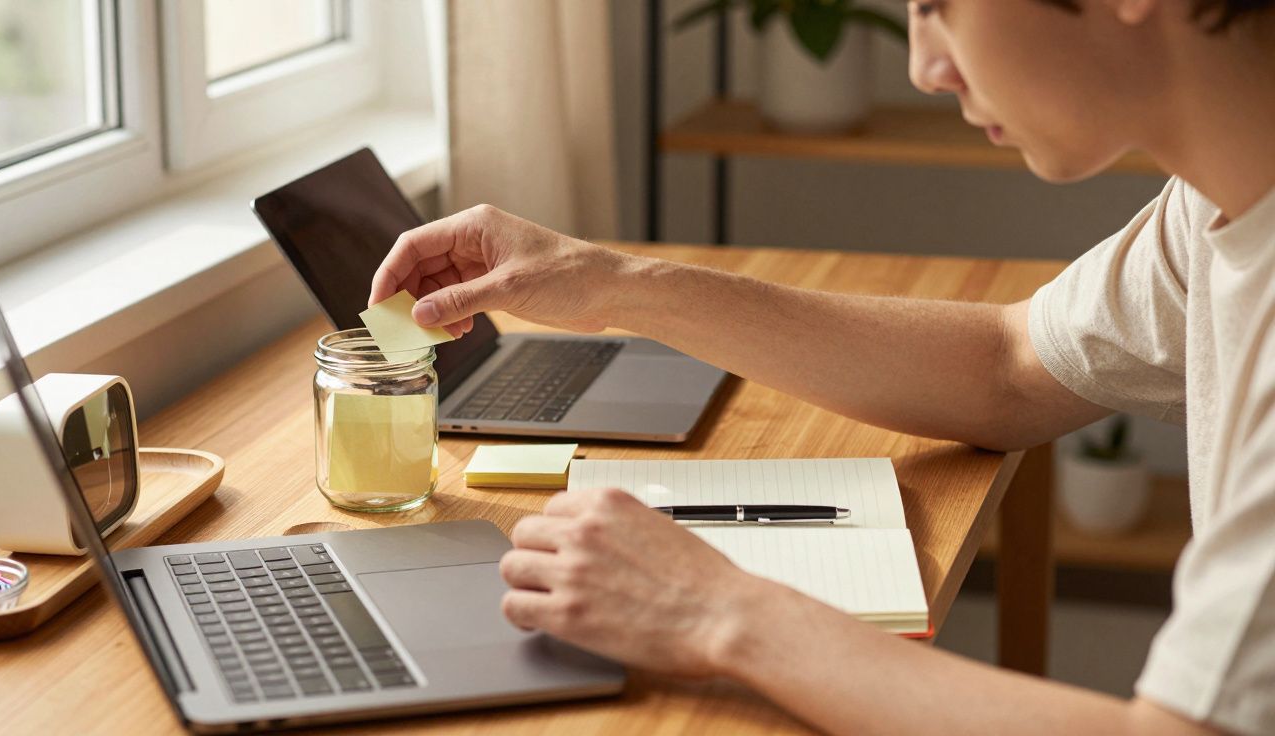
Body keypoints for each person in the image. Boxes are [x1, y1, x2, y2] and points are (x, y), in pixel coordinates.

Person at [369, 0, 1275, 732]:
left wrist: (716, 612)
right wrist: (609, 283)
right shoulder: (1214, 205)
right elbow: (1008, 368)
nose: (926, 66)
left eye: (937, 5)